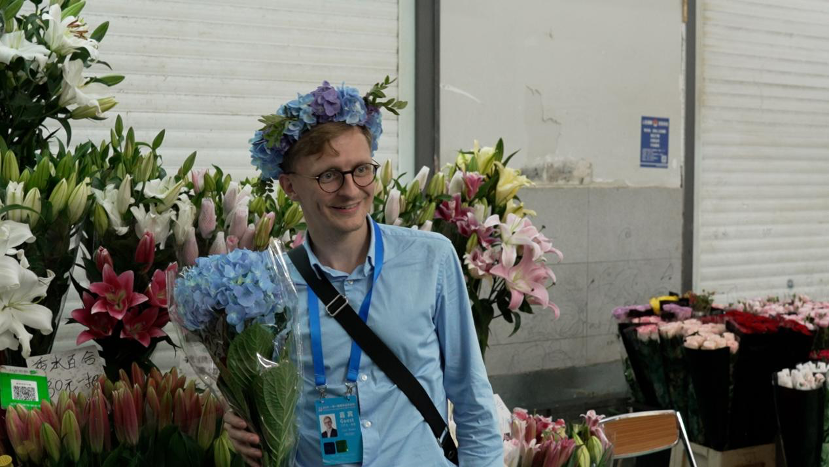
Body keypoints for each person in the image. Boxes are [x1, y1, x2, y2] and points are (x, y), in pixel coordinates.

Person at [224, 80, 502, 467]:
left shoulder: (431, 259)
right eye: (328, 175)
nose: (351, 190)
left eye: (361, 170)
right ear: (290, 186)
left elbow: (473, 398)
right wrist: (240, 421)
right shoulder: (269, 285)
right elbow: (262, 396)